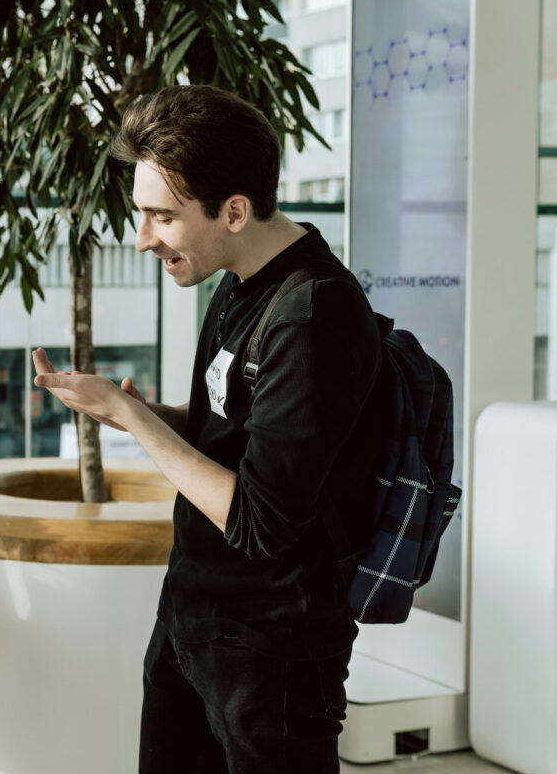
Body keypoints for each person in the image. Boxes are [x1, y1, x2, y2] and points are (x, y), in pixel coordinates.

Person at [32, 84, 382, 773]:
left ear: (234, 210)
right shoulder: (238, 278)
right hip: (197, 612)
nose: (142, 240)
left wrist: (133, 417)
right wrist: (140, 416)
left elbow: (261, 520)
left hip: (272, 647)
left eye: (161, 217)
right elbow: (241, 433)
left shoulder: (313, 316)